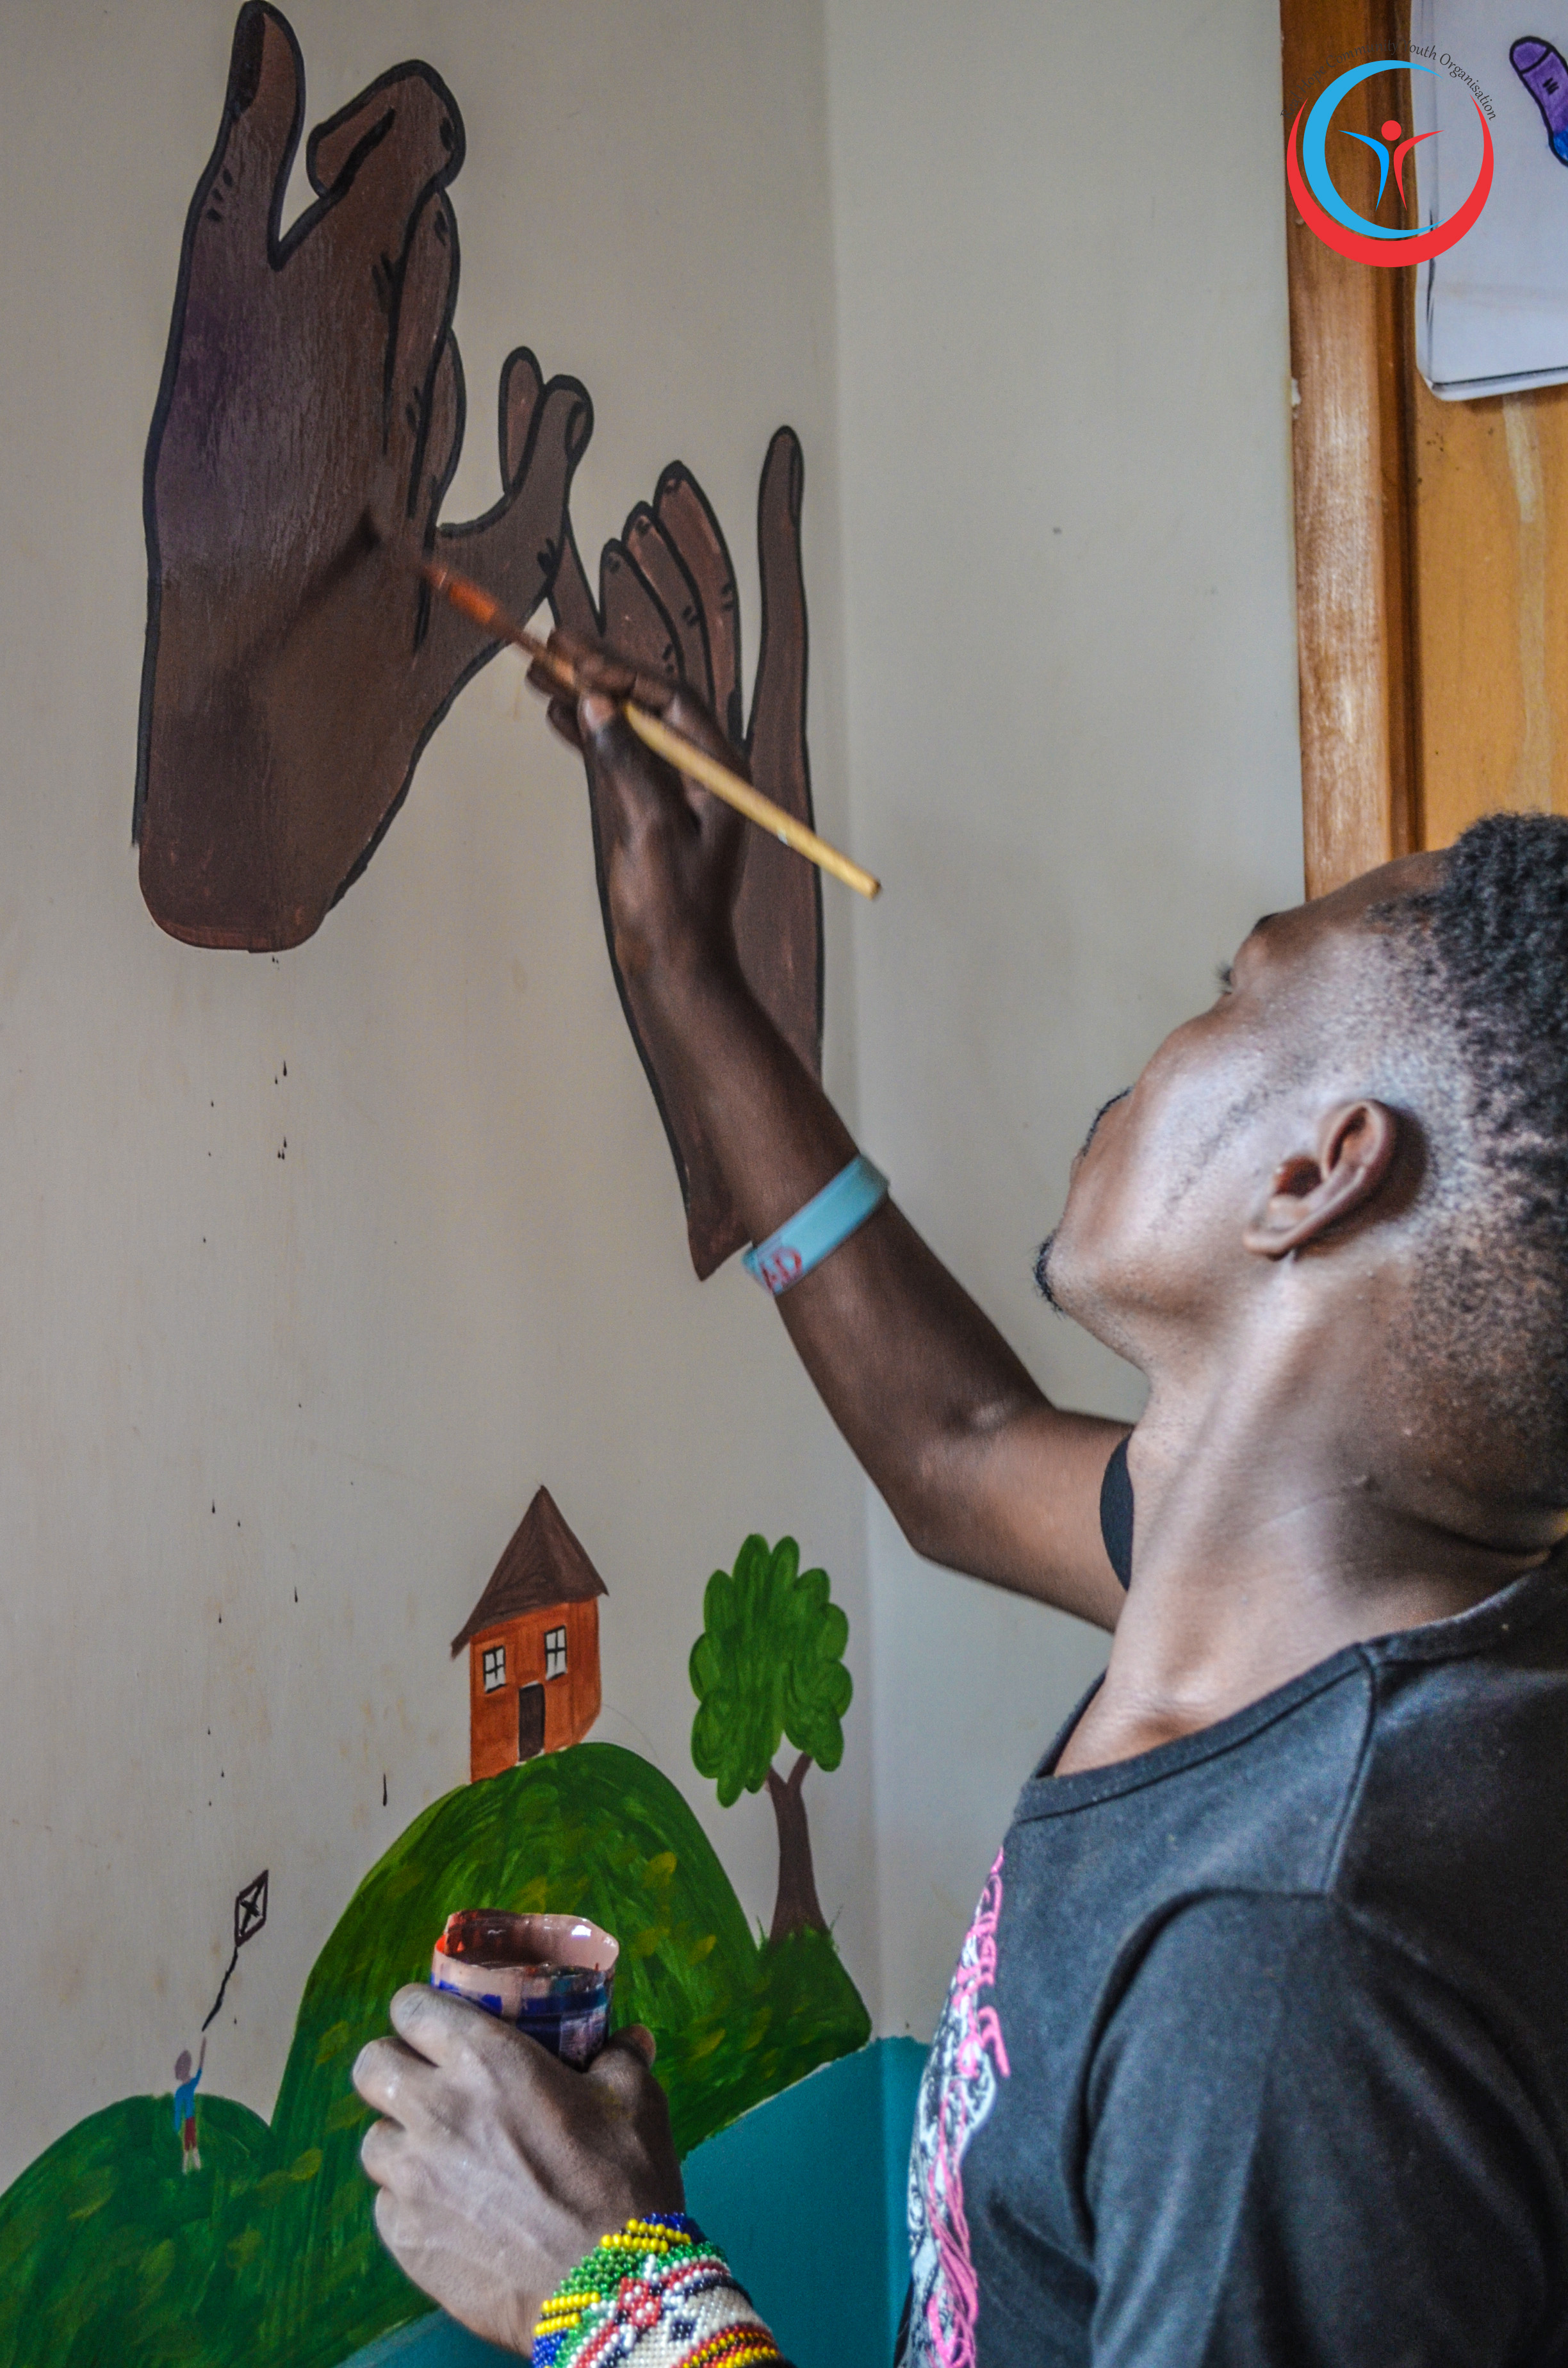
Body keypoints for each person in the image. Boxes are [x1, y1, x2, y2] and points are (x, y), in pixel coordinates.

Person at [354, 650, 1568, 2366]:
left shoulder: (1286, 1977)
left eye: (1229, 993)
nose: (1156, 1052)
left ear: (1313, 1175)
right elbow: (950, 1444)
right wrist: (684, 974)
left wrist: (606, 2288)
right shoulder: (1361, 1609)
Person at [172, 2036, 205, 2174]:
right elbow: (177, 2110)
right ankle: (189, 2169)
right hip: (188, 2120)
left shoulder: (189, 2086)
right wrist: (176, 2126)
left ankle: (193, 2168)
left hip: (190, 2120)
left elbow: (199, 2073)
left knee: (192, 2144)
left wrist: (202, 2053)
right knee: (189, 2145)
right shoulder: (181, 2091)